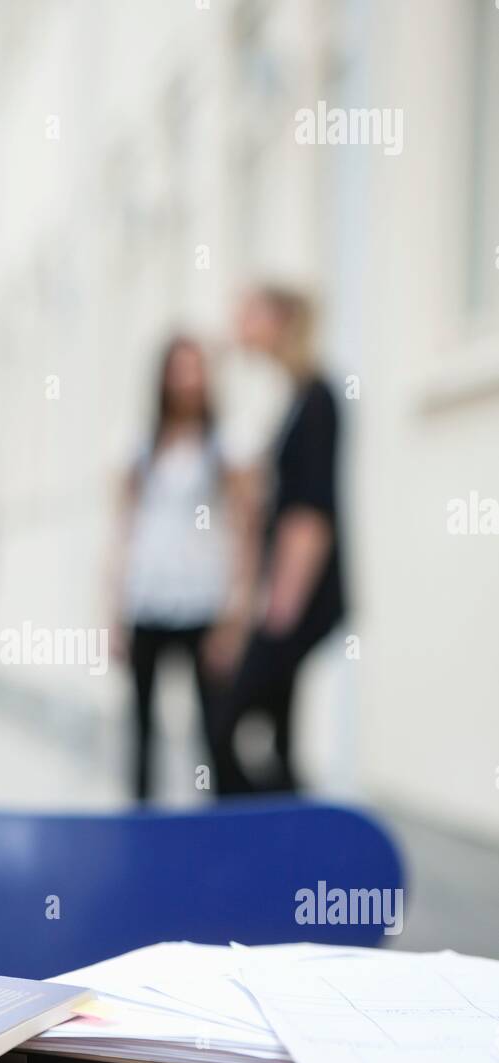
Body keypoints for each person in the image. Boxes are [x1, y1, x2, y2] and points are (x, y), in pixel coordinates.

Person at [207, 286, 343, 795]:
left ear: (282, 322)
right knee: (278, 739)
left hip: (297, 598)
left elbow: (310, 513)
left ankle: (274, 832)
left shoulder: (316, 397)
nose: (239, 324)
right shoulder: (292, 397)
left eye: (250, 315)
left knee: (226, 727)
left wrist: (280, 606)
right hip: (286, 595)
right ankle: (287, 840)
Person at [113, 335, 251, 801]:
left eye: (196, 369)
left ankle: (216, 832)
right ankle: (141, 828)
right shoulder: (142, 451)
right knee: (141, 730)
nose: (186, 380)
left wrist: (236, 613)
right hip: (147, 601)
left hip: (202, 603)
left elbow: (242, 533)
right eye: (178, 369)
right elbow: (123, 532)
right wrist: (113, 612)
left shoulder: (224, 449)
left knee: (212, 730)